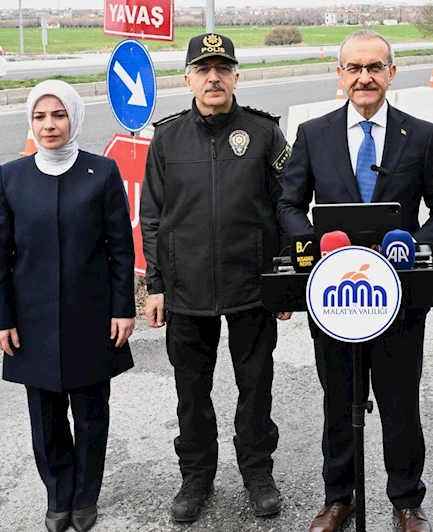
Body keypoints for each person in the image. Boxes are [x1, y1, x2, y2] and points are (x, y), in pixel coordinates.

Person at [278, 29, 433, 532]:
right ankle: (339, 498)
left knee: (401, 399)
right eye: (354, 68)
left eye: (374, 67)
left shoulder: (420, 135)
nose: (364, 77)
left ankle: (406, 501)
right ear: (340, 75)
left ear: (391, 73)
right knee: (339, 400)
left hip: (399, 298)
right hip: (334, 296)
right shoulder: (313, 134)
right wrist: (314, 243)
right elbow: (289, 204)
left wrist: (416, 243)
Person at [139, 33, 292, 524]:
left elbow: (286, 207)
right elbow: (153, 217)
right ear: (187, 78)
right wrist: (156, 285)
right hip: (185, 290)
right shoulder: (166, 137)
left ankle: (257, 473)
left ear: (236, 76)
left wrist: (285, 277)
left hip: (252, 286)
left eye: (222, 68)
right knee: (191, 390)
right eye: (203, 69)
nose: (213, 77)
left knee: (256, 385)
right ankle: (196, 477)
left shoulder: (265, 134)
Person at [0, 80, 136, 532]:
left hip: (91, 315)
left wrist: (123, 307)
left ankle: (85, 496)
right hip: (31, 318)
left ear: (73, 117)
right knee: (46, 415)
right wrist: (2, 317)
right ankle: (58, 495)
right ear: (30, 121)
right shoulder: (10, 176)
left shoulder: (102, 172)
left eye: (58, 115)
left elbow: (120, 249)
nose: (49, 125)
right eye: (39, 116)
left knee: (92, 414)